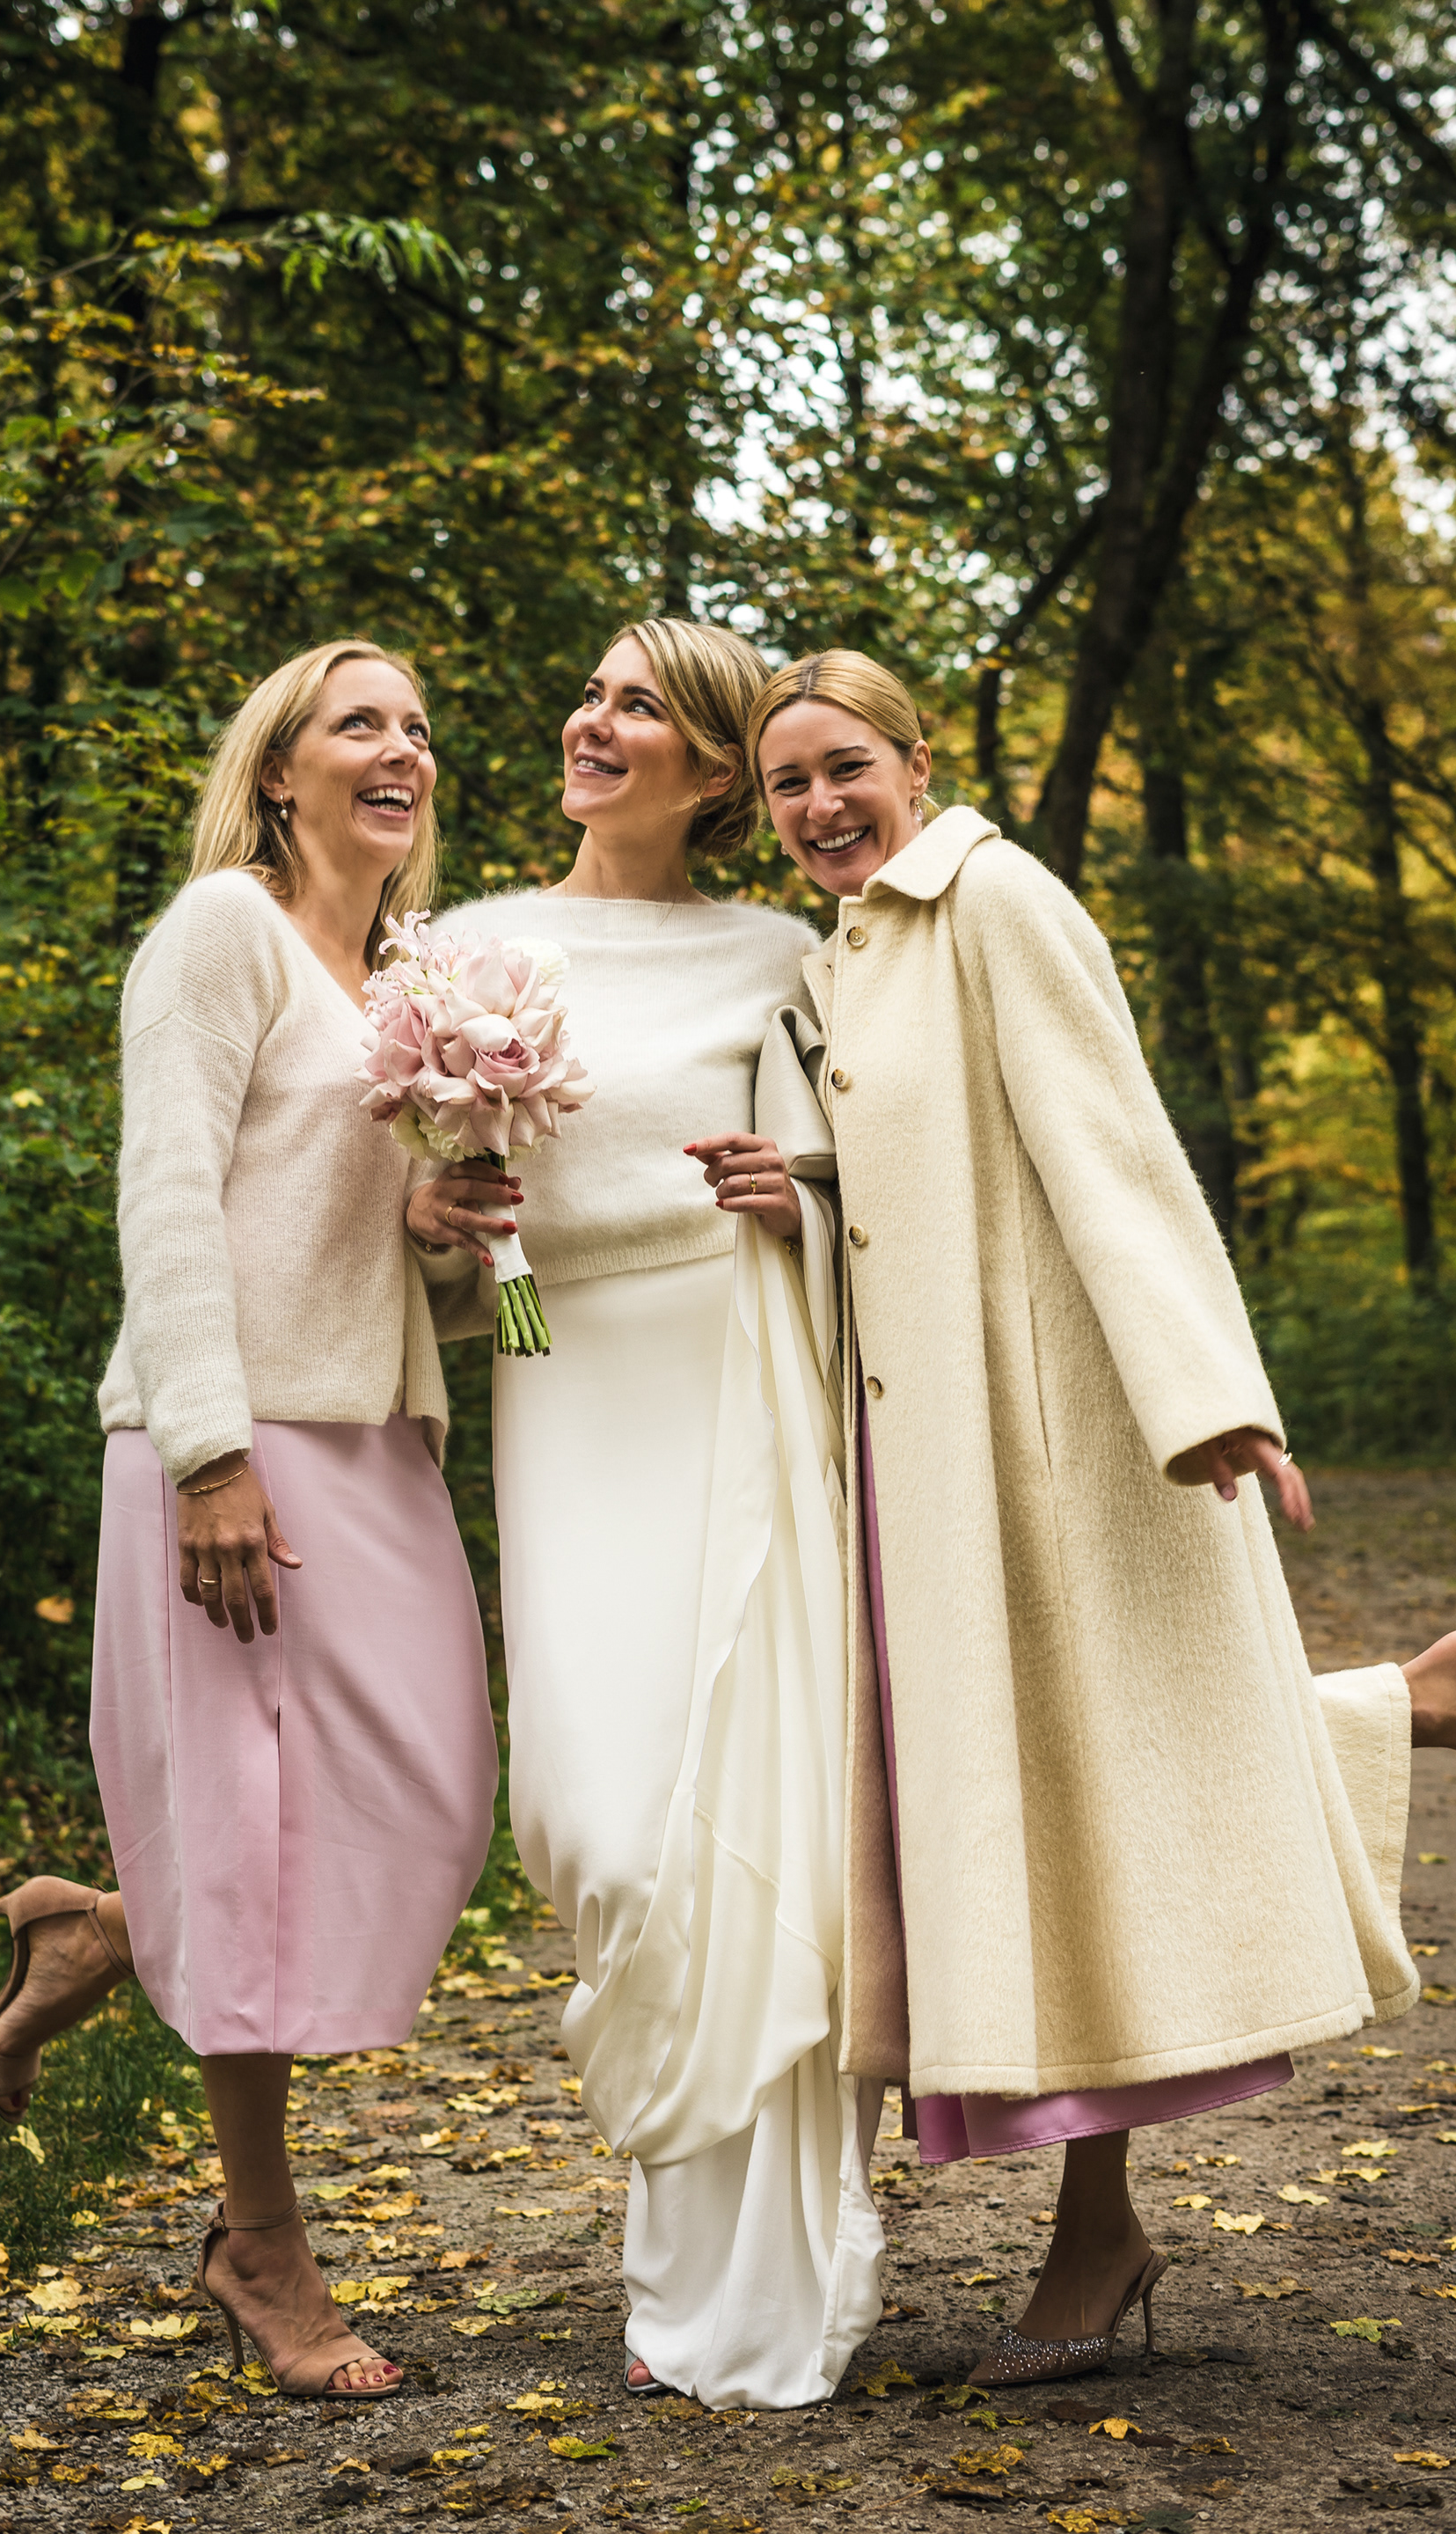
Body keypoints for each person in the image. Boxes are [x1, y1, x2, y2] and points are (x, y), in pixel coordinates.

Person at [706, 646, 1456, 2390]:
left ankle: (1097, 2232)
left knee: (1087, 1801)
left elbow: (1107, 1148)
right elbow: (933, 1173)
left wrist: (1212, 1399)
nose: (817, 806)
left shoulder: (996, 900)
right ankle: (1431, 1697)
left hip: (1047, 1448)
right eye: (786, 784)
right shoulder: (853, 948)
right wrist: (806, 1185)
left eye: (843, 768)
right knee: (1036, 1810)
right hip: (923, 1459)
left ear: (915, 756)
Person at [0, 639, 499, 2401]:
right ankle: (259, 2247)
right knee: (265, 1845)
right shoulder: (221, 931)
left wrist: (461, 1239)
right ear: (279, 771)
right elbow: (168, 1193)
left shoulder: (418, 974)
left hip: (379, 1438)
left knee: (433, 1791)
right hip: (232, 1446)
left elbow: (479, 1289)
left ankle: (120, 1922)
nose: (397, 749)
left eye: (416, 727)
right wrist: (202, 1448)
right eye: (360, 724)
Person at [406, 616, 883, 2409]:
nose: (593, 721)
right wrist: (456, 1246)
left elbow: (887, 1163)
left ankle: (745, 2281)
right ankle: (688, 2201)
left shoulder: (785, 953)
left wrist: (804, 1194)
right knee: (599, 1823)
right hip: (563, 1374)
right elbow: (445, 1250)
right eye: (590, 688)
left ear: (709, 773)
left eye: (640, 709)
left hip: (742, 1372)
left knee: (744, 1797)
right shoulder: (460, 947)